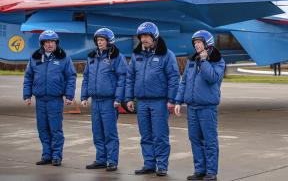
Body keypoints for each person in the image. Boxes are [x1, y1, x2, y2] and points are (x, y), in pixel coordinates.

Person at [125, 22, 180, 177]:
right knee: (145, 135)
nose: (144, 39)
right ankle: (149, 164)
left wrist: (171, 100)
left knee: (160, 135)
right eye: (142, 36)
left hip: (159, 102)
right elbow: (130, 78)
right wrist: (129, 98)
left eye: (147, 36)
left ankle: (162, 166)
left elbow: (173, 78)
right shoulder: (136, 56)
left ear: (154, 37)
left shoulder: (167, 55)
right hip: (141, 101)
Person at [175, 30, 225, 181]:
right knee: (195, 139)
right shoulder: (191, 61)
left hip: (207, 107)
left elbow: (212, 78)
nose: (196, 45)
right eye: (195, 42)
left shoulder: (218, 61)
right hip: (192, 107)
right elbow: (184, 82)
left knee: (209, 140)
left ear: (207, 43)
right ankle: (200, 170)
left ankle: (211, 172)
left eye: (199, 42)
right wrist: (178, 101)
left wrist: (204, 61)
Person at [23, 30, 76, 166]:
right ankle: (46, 155)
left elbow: (71, 77)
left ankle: (56, 156)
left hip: (55, 100)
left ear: (56, 43)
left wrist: (69, 95)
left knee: (55, 129)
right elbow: (28, 77)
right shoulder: (35, 58)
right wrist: (27, 95)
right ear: (42, 44)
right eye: (47, 42)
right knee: (42, 129)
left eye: (52, 41)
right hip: (40, 99)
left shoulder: (63, 58)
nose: (50, 44)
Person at [81, 28, 127, 172]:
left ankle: (112, 161)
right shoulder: (92, 57)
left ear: (109, 41)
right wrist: (84, 96)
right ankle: (101, 159)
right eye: (98, 40)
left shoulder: (117, 57)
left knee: (110, 132)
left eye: (102, 40)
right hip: (95, 101)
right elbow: (86, 77)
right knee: (97, 132)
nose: (99, 43)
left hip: (109, 101)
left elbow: (122, 78)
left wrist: (119, 98)